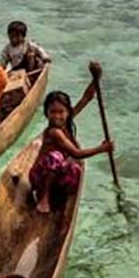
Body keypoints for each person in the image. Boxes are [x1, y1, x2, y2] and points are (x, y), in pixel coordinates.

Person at [29, 73, 113, 214]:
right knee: (56, 157)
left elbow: (86, 98)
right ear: (46, 113)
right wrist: (102, 148)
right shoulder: (54, 132)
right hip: (40, 177)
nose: (57, 116)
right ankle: (44, 198)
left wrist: (95, 79)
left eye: (61, 112)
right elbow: (76, 153)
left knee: (74, 170)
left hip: (56, 174)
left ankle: (58, 196)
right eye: (52, 112)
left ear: (67, 112)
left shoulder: (66, 122)